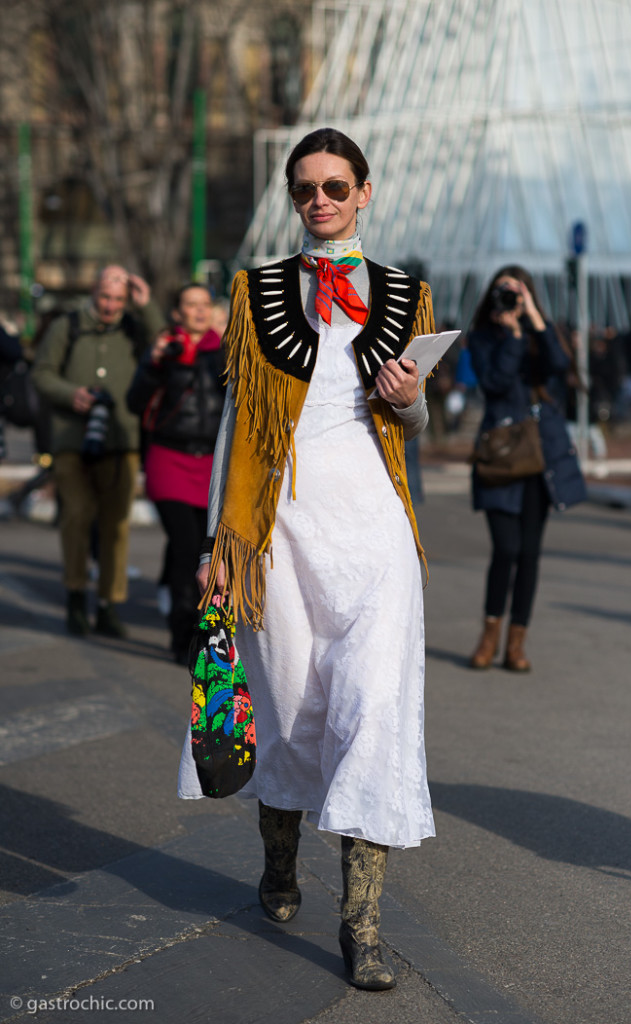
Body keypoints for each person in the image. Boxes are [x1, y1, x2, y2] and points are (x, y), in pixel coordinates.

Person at [187, 127, 436, 990]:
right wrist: (221, 542)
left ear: (364, 191)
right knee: (287, 709)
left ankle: (360, 926)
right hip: (281, 534)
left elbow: (416, 428)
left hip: (374, 534)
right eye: (304, 189)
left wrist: (409, 406)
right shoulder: (254, 290)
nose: (319, 200)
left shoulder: (408, 292)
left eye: (335, 185)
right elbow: (235, 422)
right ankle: (280, 861)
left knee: (374, 713)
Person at [33, 265, 164, 637]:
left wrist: (147, 305)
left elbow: (165, 348)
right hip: (72, 441)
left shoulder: (134, 327)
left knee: (115, 526)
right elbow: (41, 374)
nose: (110, 306)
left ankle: (108, 604)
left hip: (121, 440)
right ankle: (76, 596)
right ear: (94, 292)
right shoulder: (67, 326)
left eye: (119, 299)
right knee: (76, 517)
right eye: (106, 297)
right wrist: (70, 394)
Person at [467, 266, 586, 671]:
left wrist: (534, 320)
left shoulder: (541, 332)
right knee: (506, 549)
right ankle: (489, 638)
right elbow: (495, 384)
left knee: (530, 554)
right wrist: (512, 335)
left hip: (542, 455)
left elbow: (559, 368)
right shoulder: (484, 338)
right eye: (503, 292)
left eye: (517, 293)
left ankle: (515, 644)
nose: (510, 300)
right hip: (502, 456)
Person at [126, 284, 224, 664]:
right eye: (190, 305)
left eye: (204, 305)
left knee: (205, 549)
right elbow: (135, 402)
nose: (199, 312)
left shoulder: (226, 350)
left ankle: (201, 621)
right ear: (177, 313)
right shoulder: (164, 350)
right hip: (169, 459)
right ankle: (183, 636)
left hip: (212, 464)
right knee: (186, 547)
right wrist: (154, 364)